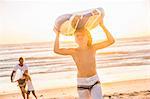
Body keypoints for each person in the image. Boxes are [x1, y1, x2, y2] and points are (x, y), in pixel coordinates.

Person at [53, 17, 115, 99]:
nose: (80, 37)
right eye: (77, 36)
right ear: (75, 39)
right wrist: (57, 35)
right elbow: (56, 50)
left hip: (94, 81)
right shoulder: (74, 51)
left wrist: (102, 26)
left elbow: (111, 41)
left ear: (88, 37)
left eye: (82, 35)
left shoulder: (93, 48)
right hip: (82, 83)